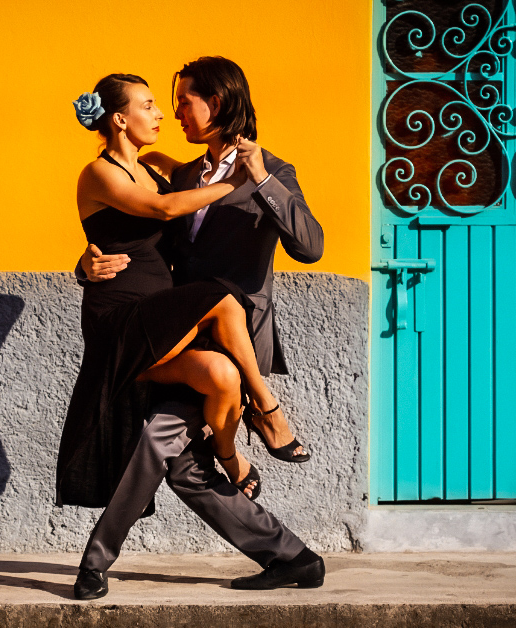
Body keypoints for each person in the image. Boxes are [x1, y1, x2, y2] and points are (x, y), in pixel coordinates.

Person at [69, 57, 325, 600]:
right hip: (172, 327)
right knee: (179, 461)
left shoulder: (271, 170)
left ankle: (96, 563)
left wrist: (258, 179)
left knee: (162, 445)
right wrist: (85, 265)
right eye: (166, 101)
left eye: (185, 99)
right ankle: (292, 557)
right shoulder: (180, 175)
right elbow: (139, 239)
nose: (175, 112)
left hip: (231, 339)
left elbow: (310, 246)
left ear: (221, 101)